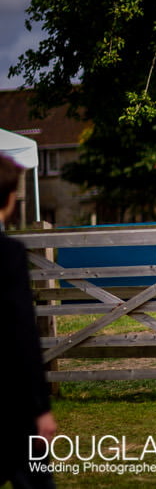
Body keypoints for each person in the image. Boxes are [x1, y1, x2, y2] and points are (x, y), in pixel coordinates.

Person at [0, 154, 57, 488]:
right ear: (9, 199)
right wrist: (40, 407)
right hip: (10, 404)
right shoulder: (8, 255)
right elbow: (22, 332)